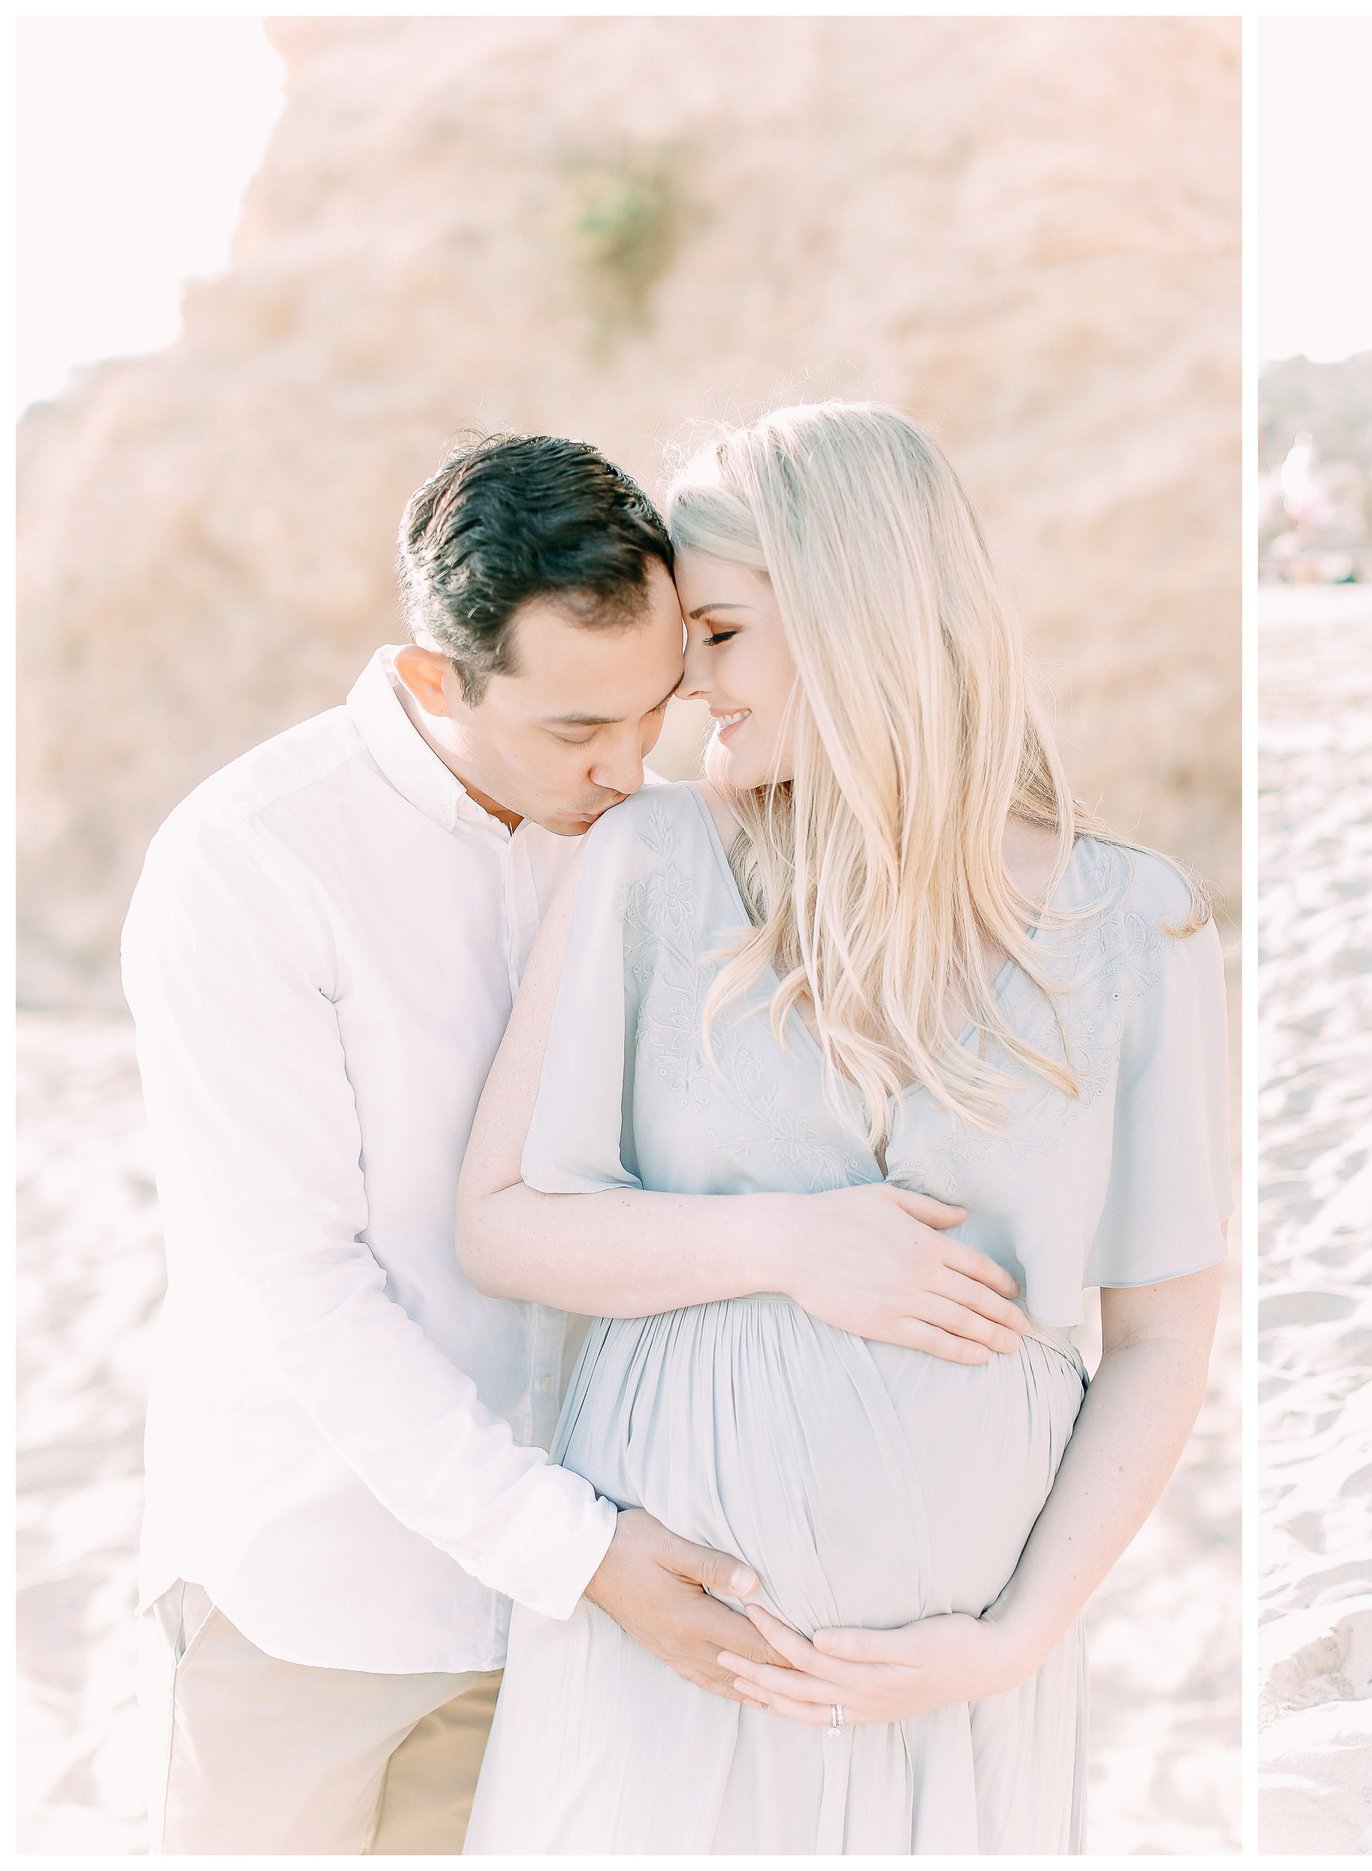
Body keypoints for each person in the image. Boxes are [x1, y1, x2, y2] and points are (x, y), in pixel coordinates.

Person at [122, 432, 1028, 1853]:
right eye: (571, 732)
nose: (625, 769)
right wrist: (580, 1551)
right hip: (315, 1592)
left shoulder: (668, 841)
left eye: (653, 715)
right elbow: (298, 1281)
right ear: (436, 677)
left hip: (584, 1620)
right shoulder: (249, 863)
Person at [454, 400, 1232, 1853]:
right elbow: (502, 1221)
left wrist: (1014, 1638)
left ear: (859, 614)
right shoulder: (654, 857)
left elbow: (1165, 1337)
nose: (691, 697)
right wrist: (787, 1244)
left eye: (724, 636)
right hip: (683, 1650)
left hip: (951, 1675)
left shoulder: (1140, 922)